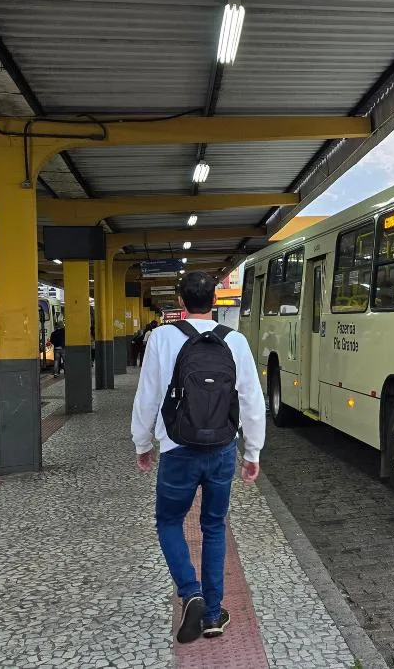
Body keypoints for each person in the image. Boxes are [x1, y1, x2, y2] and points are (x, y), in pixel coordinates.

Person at [131, 273, 266, 644]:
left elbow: (148, 396)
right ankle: (212, 615)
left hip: (177, 449)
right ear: (215, 300)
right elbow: (253, 400)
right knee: (214, 527)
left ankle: (191, 592)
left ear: (181, 300)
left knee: (169, 521)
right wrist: (251, 451)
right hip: (222, 449)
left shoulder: (160, 337)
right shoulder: (235, 341)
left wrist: (143, 443)